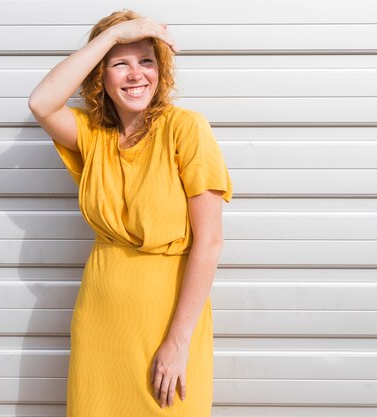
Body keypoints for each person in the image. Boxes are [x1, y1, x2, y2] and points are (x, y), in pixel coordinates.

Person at [28, 9, 233, 417]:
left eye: (146, 61)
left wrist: (177, 342)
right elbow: (41, 102)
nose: (136, 74)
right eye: (119, 63)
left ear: (161, 70)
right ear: (100, 76)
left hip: (168, 318)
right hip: (101, 319)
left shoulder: (186, 129)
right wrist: (112, 36)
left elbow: (208, 243)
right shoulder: (92, 135)